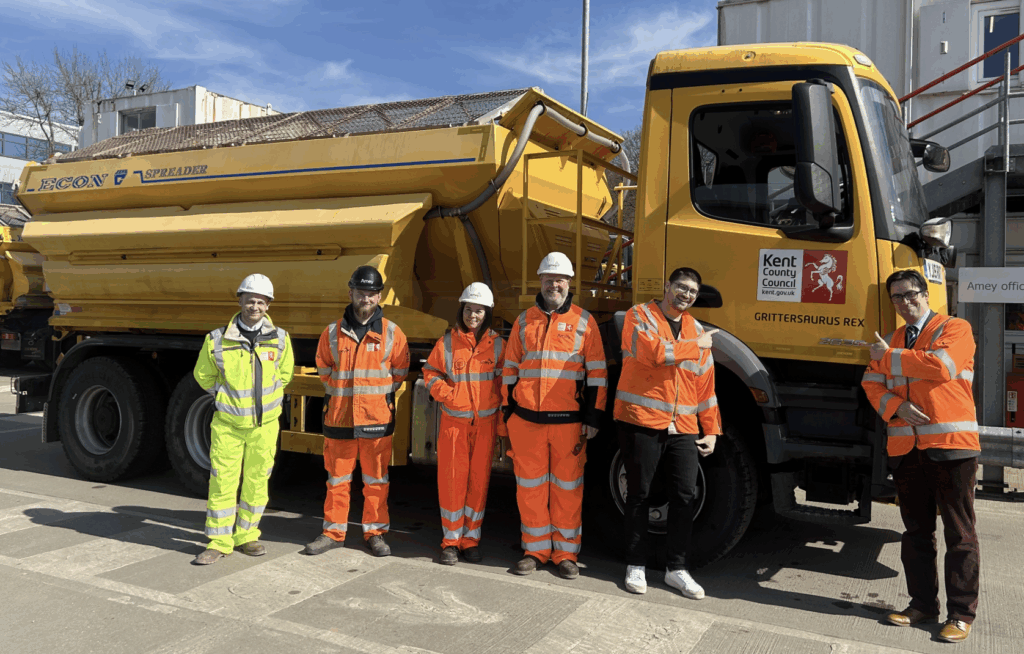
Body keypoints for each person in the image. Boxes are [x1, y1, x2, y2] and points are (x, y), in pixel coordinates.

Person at [861, 269, 980, 644]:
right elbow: (870, 381)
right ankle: (922, 605)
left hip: (951, 445)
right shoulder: (893, 338)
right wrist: (896, 406)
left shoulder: (955, 328)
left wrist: (890, 357)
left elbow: (941, 367)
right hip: (906, 447)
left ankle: (960, 615)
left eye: (911, 294)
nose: (904, 303)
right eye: (897, 297)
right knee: (916, 533)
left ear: (926, 294)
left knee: (959, 534)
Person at [614, 267, 720, 598]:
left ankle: (677, 569)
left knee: (684, 497)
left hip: (684, 426)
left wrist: (712, 429)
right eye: (681, 287)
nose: (686, 294)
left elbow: (706, 386)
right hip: (641, 419)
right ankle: (636, 564)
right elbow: (655, 354)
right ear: (667, 286)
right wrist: (696, 345)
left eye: (692, 291)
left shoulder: (697, 329)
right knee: (640, 494)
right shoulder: (639, 316)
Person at [501, 252, 607, 580]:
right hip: (527, 421)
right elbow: (509, 370)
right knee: (529, 488)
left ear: (568, 283)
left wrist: (593, 417)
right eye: (548, 279)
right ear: (541, 282)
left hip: (568, 422)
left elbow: (598, 374)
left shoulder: (584, 322)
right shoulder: (523, 321)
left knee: (567, 488)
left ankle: (565, 553)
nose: (554, 284)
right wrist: (509, 413)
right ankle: (534, 550)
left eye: (559, 279)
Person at [305, 265, 410, 558]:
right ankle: (333, 532)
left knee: (376, 481)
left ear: (380, 297)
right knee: (337, 480)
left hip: (376, 420)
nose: (366, 297)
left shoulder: (392, 333)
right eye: (361, 291)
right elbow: (324, 370)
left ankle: (375, 533)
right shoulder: (331, 333)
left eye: (372, 293)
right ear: (351, 292)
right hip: (339, 419)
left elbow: (399, 373)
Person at [192, 274, 294, 565]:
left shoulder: (281, 339)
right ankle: (218, 541)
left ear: (268, 305)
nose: (255, 306)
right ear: (240, 300)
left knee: (257, 482)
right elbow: (203, 375)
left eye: (261, 301)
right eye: (250, 300)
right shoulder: (216, 339)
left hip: (264, 426)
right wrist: (224, 397)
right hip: (228, 425)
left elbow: (284, 376)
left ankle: (247, 535)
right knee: (222, 483)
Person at [422, 282, 506, 565]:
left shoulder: (498, 345)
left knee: (478, 485)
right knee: (452, 483)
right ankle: (450, 542)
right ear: (462, 310)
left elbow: (504, 381)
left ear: (488, 314)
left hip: (485, 425)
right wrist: (449, 395)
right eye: (469, 310)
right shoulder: (447, 342)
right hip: (454, 425)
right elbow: (431, 372)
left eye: (479, 311)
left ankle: (470, 541)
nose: (473, 316)